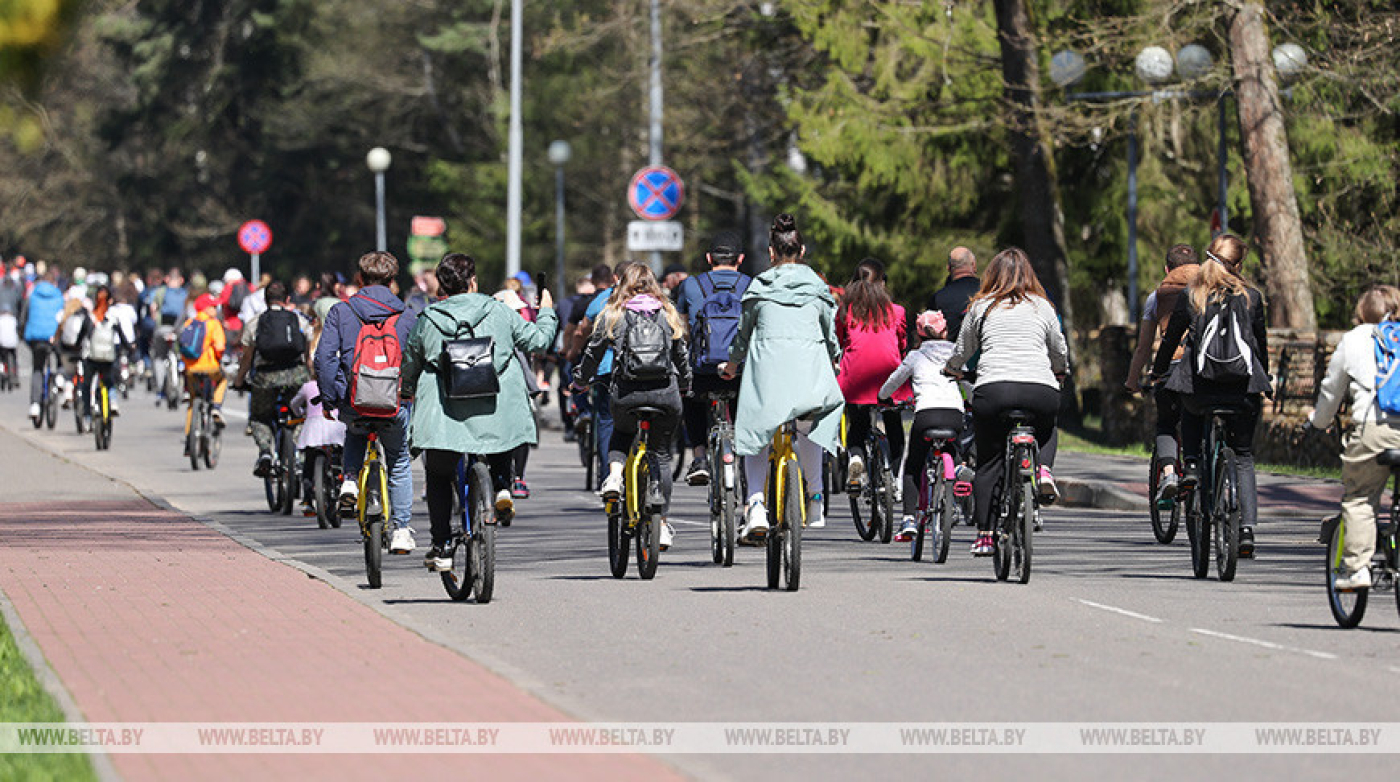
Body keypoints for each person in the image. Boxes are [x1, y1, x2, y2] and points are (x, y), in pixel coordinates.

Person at [403, 253, 559, 570]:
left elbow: (412, 363)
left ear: (441, 288)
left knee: (438, 473)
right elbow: (538, 340)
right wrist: (546, 311)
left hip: (445, 414)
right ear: (473, 281)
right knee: (499, 436)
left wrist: (405, 388)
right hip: (494, 405)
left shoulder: (428, 319)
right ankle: (502, 485)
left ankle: (443, 545)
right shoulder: (499, 311)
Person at [720, 213, 844, 538]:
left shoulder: (758, 286)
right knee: (808, 426)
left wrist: (731, 367)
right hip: (811, 373)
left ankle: (756, 504)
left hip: (768, 375)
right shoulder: (818, 289)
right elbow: (830, 334)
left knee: (754, 434)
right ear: (801, 252)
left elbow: (742, 337)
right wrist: (835, 360)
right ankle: (816, 498)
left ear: (771, 253)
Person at [945, 248, 1069, 557]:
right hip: (1040, 390)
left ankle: (985, 535)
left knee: (989, 462)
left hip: (993, 391)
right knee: (1047, 427)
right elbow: (1059, 350)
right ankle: (1043, 472)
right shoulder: (1043, 307)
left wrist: (953, 368)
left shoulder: (981, 307)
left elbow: (963, 348)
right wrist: (1059, 371)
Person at [1151, 233, 1269, 558]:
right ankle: (1245, 531)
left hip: (1200, 389)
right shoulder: (1252, 298)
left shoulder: (1194, 296)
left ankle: (1189, 467)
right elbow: (1259, 347)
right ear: (1239, 265)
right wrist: (1266, 379)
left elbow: (1171, 339)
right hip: (1242, 391)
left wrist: (1158, 372)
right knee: (1243, 457)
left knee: (1188, 409)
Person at [575, 263, 691, 551]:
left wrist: (580, 381)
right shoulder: (668, 312)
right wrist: (686, 385)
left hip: (627, 394)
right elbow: (681, 355)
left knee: (622, 435)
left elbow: (593, 352)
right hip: (665, 394)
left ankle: (614, 477)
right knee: (661, 455)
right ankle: (661, 525)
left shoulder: (614, 312)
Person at [314, 252, 419, 555]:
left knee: (355, 431)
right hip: (394, 402)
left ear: (359, 279)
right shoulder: (408, 315)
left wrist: (332, 396)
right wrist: (407, 392)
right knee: (398, 461)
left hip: (353, 400)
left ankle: (348, 480)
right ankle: (400, 529)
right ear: (392, 282)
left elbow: (324, 359)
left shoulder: (341, 312)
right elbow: (417, 361)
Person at [1309, 286, 1400, 589]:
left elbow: (1331, 390)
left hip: (1372, 427)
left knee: (1360, 498)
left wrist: (1318, 422)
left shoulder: (1355, 339)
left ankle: (1358, 568)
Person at [880, 310, 972, 542]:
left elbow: (894, 381)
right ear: (946, 331)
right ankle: (958, 467)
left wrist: (884, 397)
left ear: (919, 335)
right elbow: (968, 384)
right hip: (953, 414)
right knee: (954, 444)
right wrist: (971, 402)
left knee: (914, 465)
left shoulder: (915, 355)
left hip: (926, 415)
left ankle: (909, 519)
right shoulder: (956, 353)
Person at [1125, 244, 1201, 503]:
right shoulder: (1211, 289)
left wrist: (1133, 381)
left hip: (1171, 369)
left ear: (1167, 269)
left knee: (1167, 423)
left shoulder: (1156, 297)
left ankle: (1169, 474)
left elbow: (1144, 346)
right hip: (1205, 371)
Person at [674, 230, 752, 485]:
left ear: (709, 258)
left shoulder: (691, 285)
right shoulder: (751, 284)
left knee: (692, 399)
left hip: (703, 372)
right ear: (740, 259)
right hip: (739, 371)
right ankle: (744, 460)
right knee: (744, 403)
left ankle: (698, 457)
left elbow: (681, 328)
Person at [837, 258, 910, 497]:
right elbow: (902, 344)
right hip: (887, 379)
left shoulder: (845, 312)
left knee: (857, 424)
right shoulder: (896, 311)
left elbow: (839, 341)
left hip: (856, 379)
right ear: (882, 284)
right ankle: (896, 479)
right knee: (893, 425)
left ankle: (855, 457)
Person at [234, 281, 313, 478]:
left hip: (265, 377)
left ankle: (265, 453)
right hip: (296, 375)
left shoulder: (255, 323)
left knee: (259, 417)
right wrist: (311, 378)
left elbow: (247, 358)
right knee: (302, 415)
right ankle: (296, 454)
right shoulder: (300, 320)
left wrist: (239, 380)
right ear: (288, 300)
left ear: (265, 300)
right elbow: (308, 355)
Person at [78, 286, 133, 418]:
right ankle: (113, 401)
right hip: (109, 357)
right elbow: (123, 338)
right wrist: (130, 348)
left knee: (86, 384)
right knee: (109, 381)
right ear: (110, 301)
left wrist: (76, 347)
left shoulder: (90, 318)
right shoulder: (113, 318)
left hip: (92, 357)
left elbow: (81, 337)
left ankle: (87, 416)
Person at [180, 294, 228, 441]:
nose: (216, 309)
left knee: (193, 400)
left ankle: (189, 438)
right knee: (223, 380)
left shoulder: (189, 322)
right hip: (210, 367)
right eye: (213, 306)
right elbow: (220, 347)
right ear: (206, 308)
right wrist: (218, 358)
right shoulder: (213, 324)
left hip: (191, 369)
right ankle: (216, 407)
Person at [19, 267, 65, 420]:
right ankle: (59, 376)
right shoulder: (59, 296)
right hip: (53, 337)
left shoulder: (32, 295)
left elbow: (23, 318)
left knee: (38, 368)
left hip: (36, 337)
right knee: (60, 356)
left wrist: (23, 336)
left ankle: (35, 405)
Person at [927, 246, 980, 344]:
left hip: (950, 355)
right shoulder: (988, 292)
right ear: (974, 265)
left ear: (949, 268)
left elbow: (931, 334)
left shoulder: (938, 298)